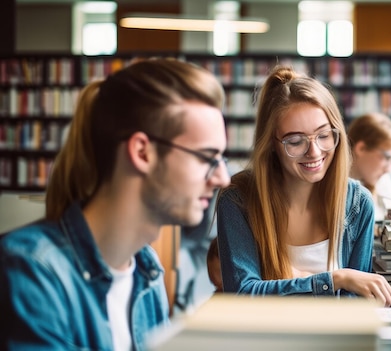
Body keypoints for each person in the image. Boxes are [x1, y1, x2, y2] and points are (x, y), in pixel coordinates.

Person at [0, 58, 231, 350]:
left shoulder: (147, 274)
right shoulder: (31, 271)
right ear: (142, 153)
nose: (222, 178)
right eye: (206, 158)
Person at [215, 65, 391, 307]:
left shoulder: (357, 203)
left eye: (323, 135)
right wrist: (334, 280)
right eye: (295, 141)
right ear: (272, 144)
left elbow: (356, 304)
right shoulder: (238, 200)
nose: (314, 152)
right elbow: (244, 293)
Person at [348, 112, 391, 222]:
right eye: (387, 157)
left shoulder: (382, 179)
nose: (389, 169)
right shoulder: (335, 183)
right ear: (361, 148)